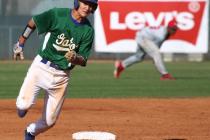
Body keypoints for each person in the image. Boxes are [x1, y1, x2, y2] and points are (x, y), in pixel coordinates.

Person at [13, 0, 98, 139]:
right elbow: (34, 22)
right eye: (85, 3)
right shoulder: (57, 14)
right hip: (41, 67)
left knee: (49, 121)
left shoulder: (88, 30)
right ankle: (23, 107)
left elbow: (83, 60)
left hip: (61, 76)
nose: (88, 7)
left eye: (92, 5)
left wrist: (75, 58)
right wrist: (20, 43)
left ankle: (30, 132)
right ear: (77, 2)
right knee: (23, 105)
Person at [114, 19, 178, 80]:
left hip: (141, 35)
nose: (174, 31)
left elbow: (157, 45)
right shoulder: (161, 35)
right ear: (168, 27)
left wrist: (155, 58)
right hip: (144, 38)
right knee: (156, 54)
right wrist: (155, 57)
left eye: (175, 29)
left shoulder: (165, 32)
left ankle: (121, 65)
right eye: (173, 29)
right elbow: (155, 49)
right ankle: (165, 75)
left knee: (138, 57)